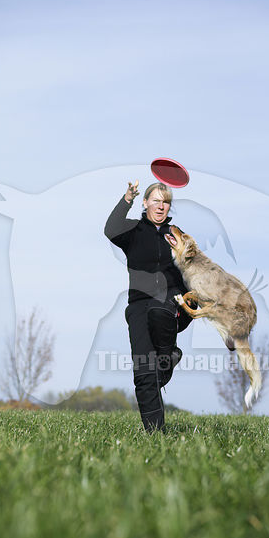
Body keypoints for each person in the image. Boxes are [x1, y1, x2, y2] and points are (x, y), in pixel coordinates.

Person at [104, 181, 194, 432]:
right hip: (139, 305)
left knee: (159, 309)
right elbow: (111, 230)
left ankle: (166, 355)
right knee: (144, 372)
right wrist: (126, 199)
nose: (161, 206)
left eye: (165, 202)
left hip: (174, 301)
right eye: (155, 200)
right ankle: (155, 435)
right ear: (145, 203)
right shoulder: (133, 231)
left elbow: (195, 266)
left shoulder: (177, 234)